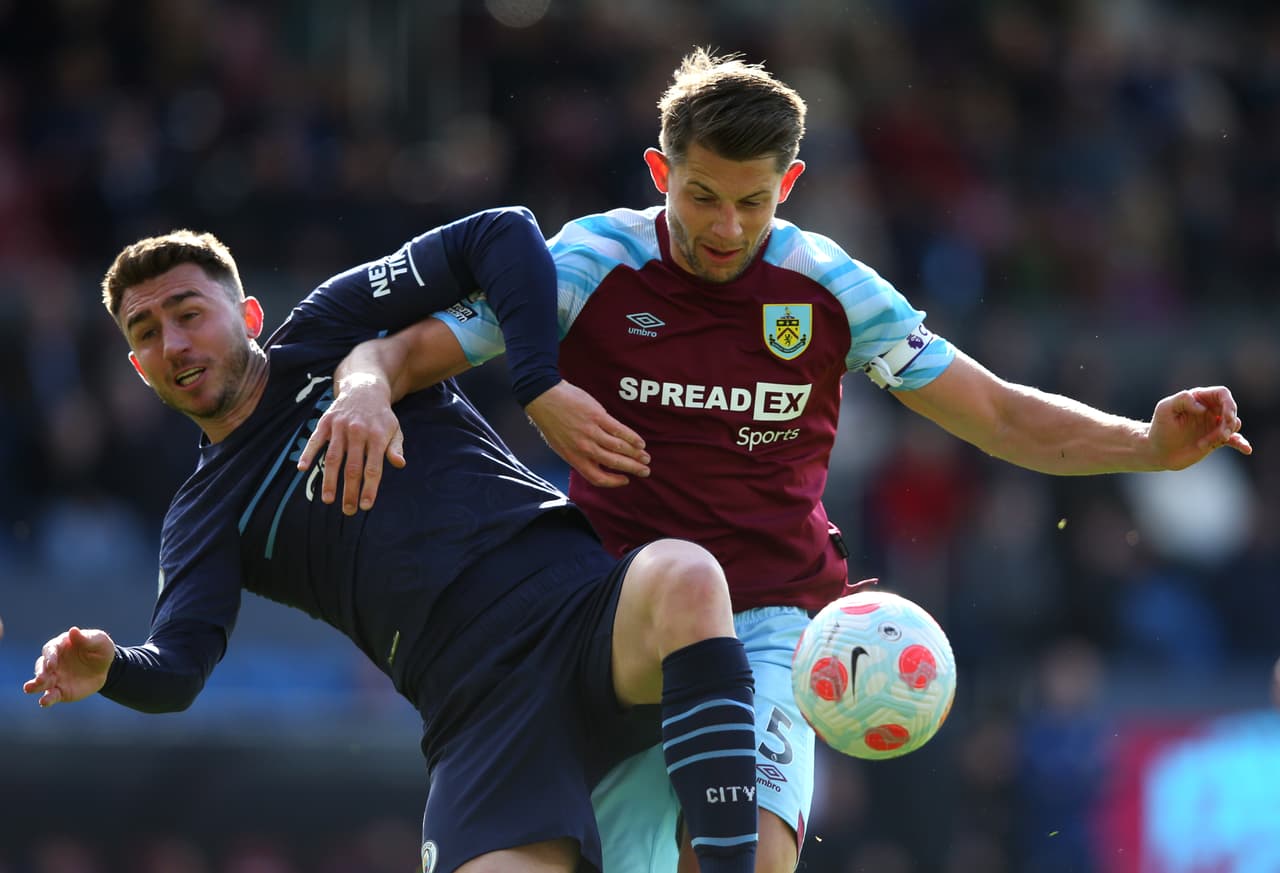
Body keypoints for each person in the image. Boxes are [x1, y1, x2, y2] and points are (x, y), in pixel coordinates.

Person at [307, 50, 1252, 873]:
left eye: (752, 202)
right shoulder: (586, 263)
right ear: (659, 170)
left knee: (746, 856)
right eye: (701, 196)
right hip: (612, 623)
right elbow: (401, 349)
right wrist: (362, 388)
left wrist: (1146, 446)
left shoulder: (829, 287)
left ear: (788, 184)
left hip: (770, 616)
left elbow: (995, 411)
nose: (725, 227)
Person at [21, 207, 765, 873]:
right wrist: (110, 667)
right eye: (145, 333)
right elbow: (178, 667)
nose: (173, 342)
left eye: (189, 313)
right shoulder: (202, 515)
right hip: (479, 713)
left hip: (580, 610)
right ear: (134, 365)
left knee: (686, 574)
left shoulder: (327, 329)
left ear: (248, 312)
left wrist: (537, 382)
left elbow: (503, 233)